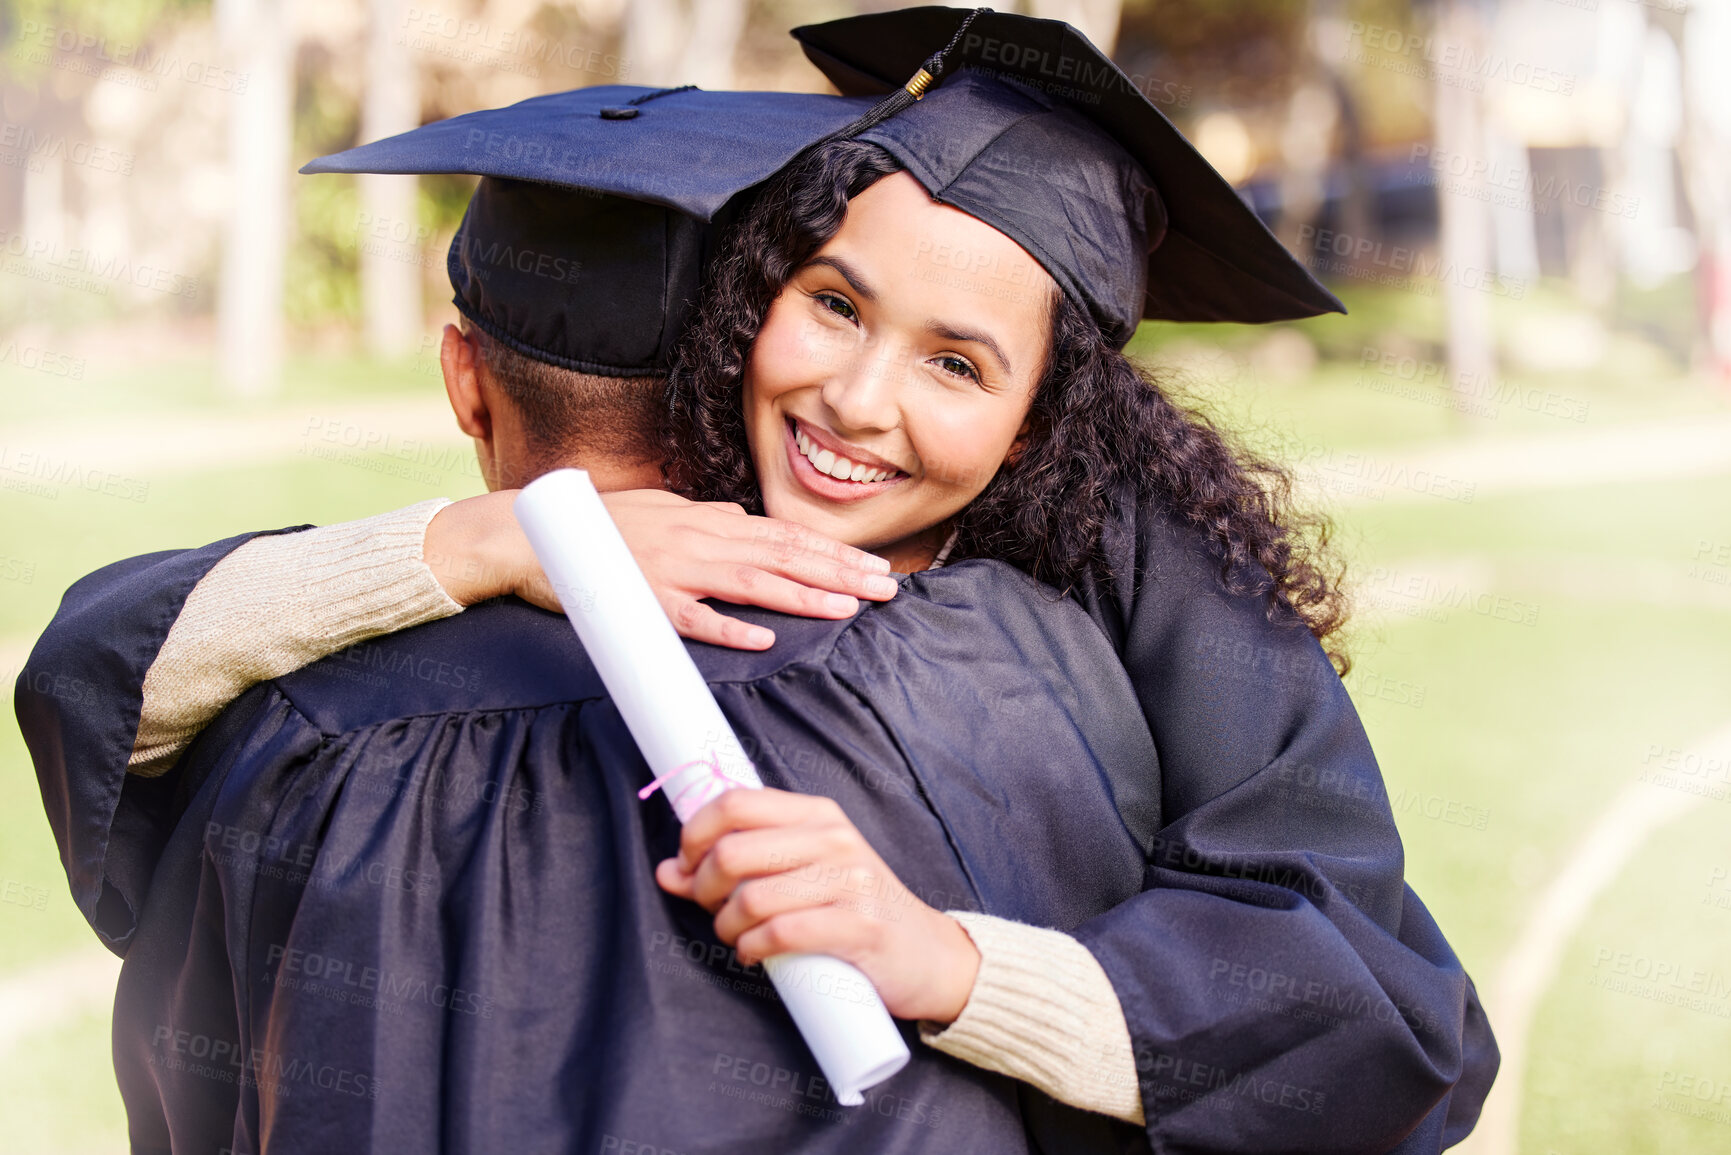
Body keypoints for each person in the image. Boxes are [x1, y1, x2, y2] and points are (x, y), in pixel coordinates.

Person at [22, 10, 1497, 1151]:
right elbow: (102, 656)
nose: (859, 399)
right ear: (746, 312)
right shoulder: (1007, 681)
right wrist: (506, 540)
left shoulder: (1139, 594)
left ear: (1048, 426)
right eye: (833, 305)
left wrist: (945, 965)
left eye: (959, 363)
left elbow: (1370, 1012)